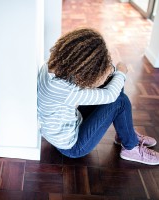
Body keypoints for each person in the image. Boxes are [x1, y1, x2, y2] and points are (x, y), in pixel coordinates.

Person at [37, 28, 159, 165]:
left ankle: (124, 133)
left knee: (111, 80)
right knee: (120, 101)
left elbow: (97, 79)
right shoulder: (65, 91)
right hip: (73, 146)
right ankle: (131, 148)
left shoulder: (50, 66)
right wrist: (121, 72)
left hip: (65, 127)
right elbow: (110, 95)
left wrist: (112, 71)